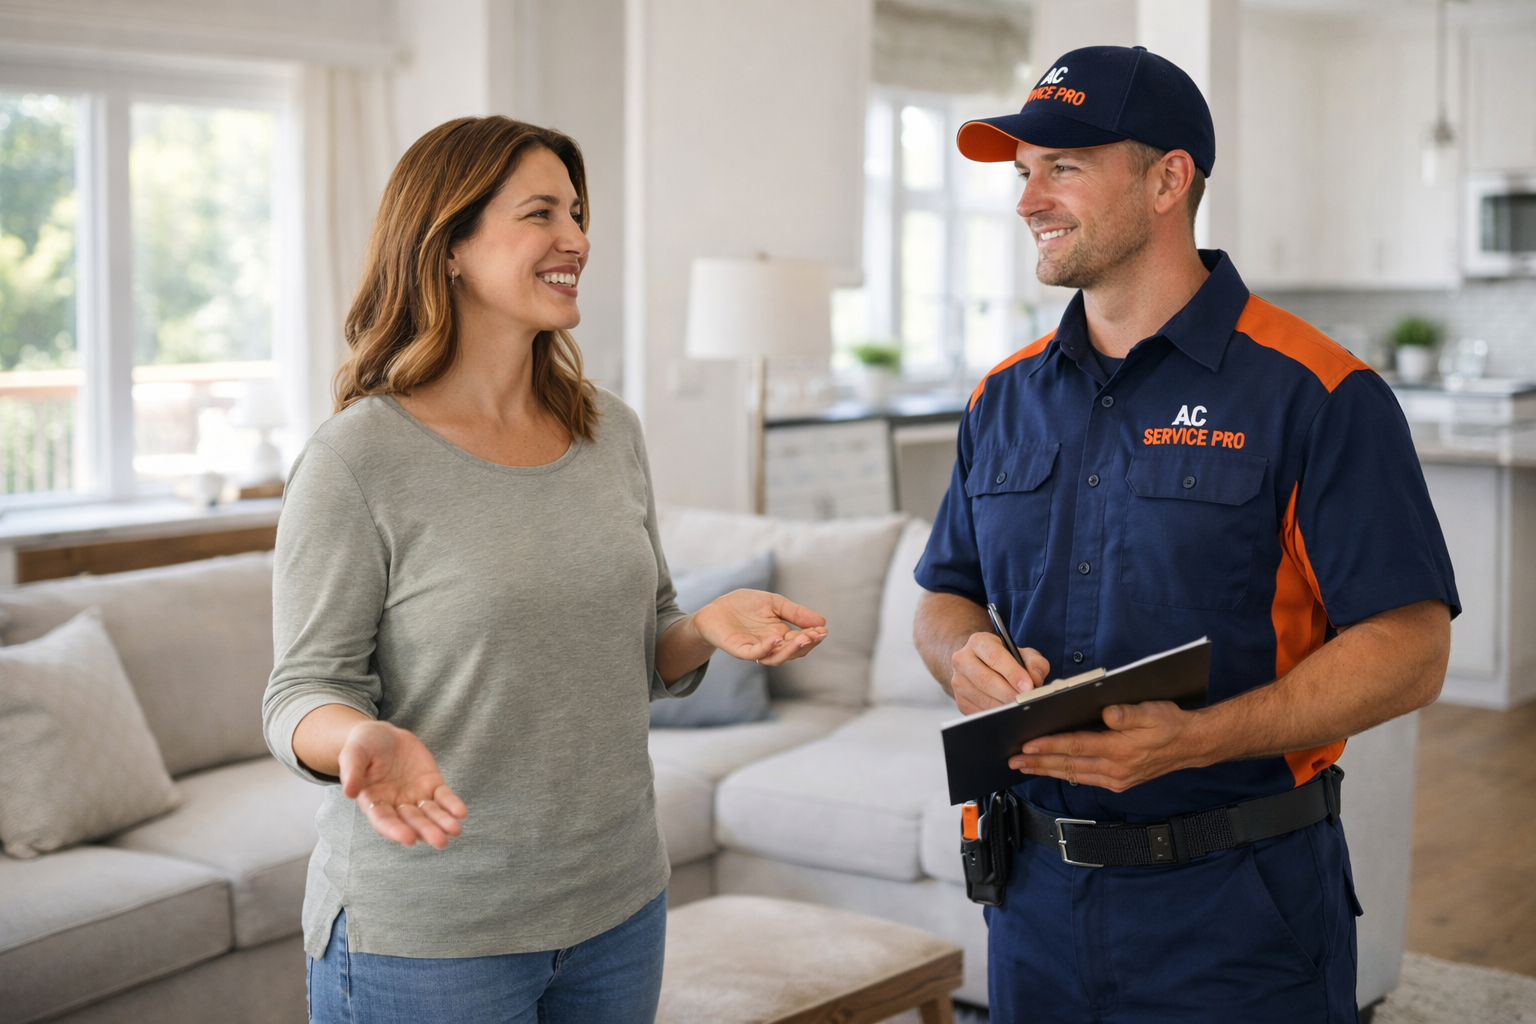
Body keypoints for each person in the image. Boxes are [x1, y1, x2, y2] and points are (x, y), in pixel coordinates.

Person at [912, 45, 1457, 1023]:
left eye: (1063, 166)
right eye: (1022, 170)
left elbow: (1412, 650)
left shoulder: (1319, 393)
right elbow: (943, 595)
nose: (1028, 198)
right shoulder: (1001, 398)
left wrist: (1195, 739)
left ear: (1169, 179)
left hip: (1239, 912)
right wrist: (966, 655)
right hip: (1031, 903)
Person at [262, 116, 829, 1024]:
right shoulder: (356, 459)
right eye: (541, 214)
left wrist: (704, 629)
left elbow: (641, 648)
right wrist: (355, 739)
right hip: (431, 938)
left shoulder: (611, 431)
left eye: (575, 211)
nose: (577, 239)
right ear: (448, 245)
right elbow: (301, 692)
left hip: (617, 906)